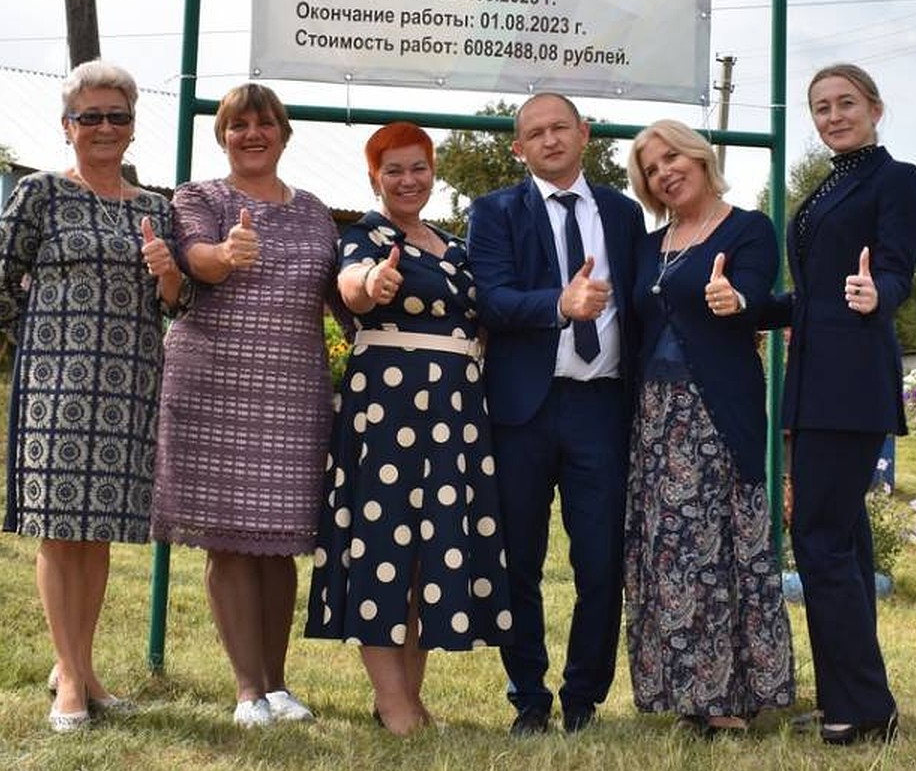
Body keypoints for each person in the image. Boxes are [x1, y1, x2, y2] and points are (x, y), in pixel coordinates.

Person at [0, 59, 186, 733]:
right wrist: (43, 343)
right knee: (59, 532)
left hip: (129, 390)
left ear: (132, 127)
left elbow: (179, 306)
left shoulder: (156, 208)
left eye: (116, 115)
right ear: (67, 126)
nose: (103, 126)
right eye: (89, 115)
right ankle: (68, 678)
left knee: (97, 536)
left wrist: (169, 276)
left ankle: (83, 666)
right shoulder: (41, 194)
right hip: (55, 387)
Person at [305, 122, 511, 735]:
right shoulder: (366, 236)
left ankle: (409, 698)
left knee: (427, 554)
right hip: (388, 414)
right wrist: (372, 284)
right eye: (393, 170)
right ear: (374, 179)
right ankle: (392, 703)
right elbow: (353, 287)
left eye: (417, 167)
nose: (407, 180)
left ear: (433, 171)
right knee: (384, 548)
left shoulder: (456, 244)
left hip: (454, 412)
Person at [151, 83, 346, 729]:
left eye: (263, 123)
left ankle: (279, 685)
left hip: (294, 392)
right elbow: (195, 259)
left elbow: (343, 297)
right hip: (215, 384)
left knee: (279, 543)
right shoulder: (200, 197)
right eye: (238, 125)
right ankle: (246, 692)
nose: (251, 134)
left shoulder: (317, 211)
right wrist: (225, 255)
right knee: (230, 543)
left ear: (284, 134)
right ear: (223, 136)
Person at [467, 93, 644, 735]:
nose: (549, 140)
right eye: (534, 133)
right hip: (522, 412)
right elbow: (490, 298)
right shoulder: (494, 212)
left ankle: (583, 698)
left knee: (599, 561)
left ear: (584, 133)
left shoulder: (624, 215)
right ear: (519, 148)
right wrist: (559, 304)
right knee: (519, 560)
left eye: (559, 128)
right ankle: (529, 698)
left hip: (602, 406)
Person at [761, 63, 916, 745]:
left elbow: (894, 270)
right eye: (821, 107)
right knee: (846, 544)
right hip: (817, 380)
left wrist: (875, 295)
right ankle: (856, 700)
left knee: (819, 540)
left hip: (851, 383)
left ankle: (860, 706)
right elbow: (809, 297)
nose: (833, 115)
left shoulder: (896, 178)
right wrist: (748, 308)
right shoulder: (830, 183)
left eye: (846, 103)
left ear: (876, 108)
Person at [625, 120, 794, 736]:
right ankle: (683, 694)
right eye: (650, 167)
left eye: (672, 156)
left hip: (717, 411)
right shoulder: (647, 247)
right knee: (668, 556)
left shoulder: (748, 228)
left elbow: (749, 291)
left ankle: (729, 699)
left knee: (719, 552)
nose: (664, 171)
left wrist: (734, 301)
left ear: (699, 157)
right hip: (654, 415)